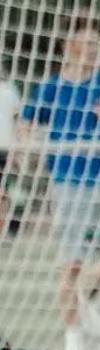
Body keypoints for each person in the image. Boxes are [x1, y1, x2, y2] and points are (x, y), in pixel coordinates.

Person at [20, 10, 100, 350]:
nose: (93, 49)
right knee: (72, 262)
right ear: (70, 46)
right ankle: (72, 336)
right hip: (68, 181)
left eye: (97, 43)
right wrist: (26, 147)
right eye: (87, 43)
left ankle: (86, 300)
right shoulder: (52, 87)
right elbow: (26, 121)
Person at [0, 67, 19, 234]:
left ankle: (5, 227)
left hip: (4, 147)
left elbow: (16, 118)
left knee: (2, 191)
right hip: (6, 146)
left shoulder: (9, 89)